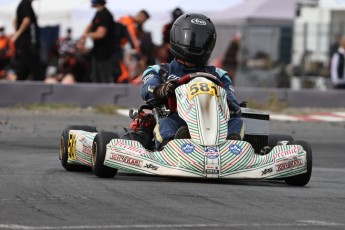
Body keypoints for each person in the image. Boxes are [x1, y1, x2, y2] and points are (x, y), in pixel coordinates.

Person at [140, 13, 244, 150]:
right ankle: (172, 147)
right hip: (177, 119)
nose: (195, 44)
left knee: (237, 122)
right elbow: (147, 91)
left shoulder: (218, 74)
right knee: (166, 123)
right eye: (190, 38)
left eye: (201, 39)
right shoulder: (161, 71)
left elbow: (236, 108)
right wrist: (163, 90)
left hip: (215, 124)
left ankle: (232, 149)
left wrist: (228, 102)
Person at [81, 0, 115, 83]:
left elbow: (100, 34)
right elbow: (91, 25)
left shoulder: (106, 14)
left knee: (103, 77)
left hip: (105, 53)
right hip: (97, 51)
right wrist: (83, 37)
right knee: (94, 76)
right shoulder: (98, 13)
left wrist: (87, 35)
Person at [12, 0, 42, 81]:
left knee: (23, 72)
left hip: (25, 44)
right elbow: (26, 20)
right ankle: (40, 92)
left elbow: (15, 21)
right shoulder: (25, 4)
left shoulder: (25, 5)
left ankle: (16, 91)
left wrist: (17, 33)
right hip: (29, 44)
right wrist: (17, 35)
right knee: (37, 73)